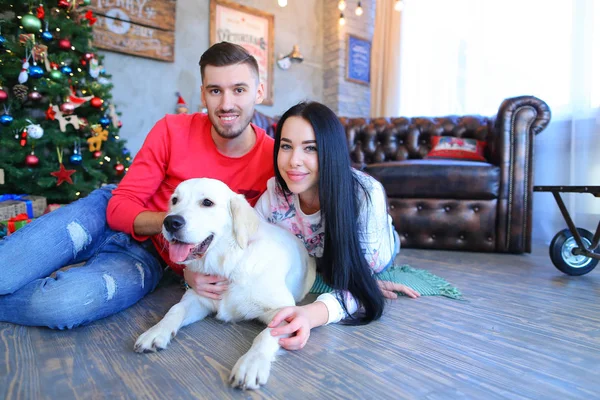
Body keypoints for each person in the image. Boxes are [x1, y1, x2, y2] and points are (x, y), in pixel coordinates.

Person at [0, 42, 274, 329]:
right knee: (6, 270)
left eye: (239, 90)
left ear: (259, 92)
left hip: (152, 258)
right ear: (203, 95)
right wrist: (177, 224)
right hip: (106, 214)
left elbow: (251, 241)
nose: (227, 104)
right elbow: (119, 208)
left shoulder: (273, 160)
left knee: (62, 304)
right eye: (215, 90)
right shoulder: (172, 129)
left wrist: (186, 266)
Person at [253, 101, 420, 351]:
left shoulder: (366, 194)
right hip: (318, 257)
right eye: (286, 146)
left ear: (330, 152)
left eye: (311, 148)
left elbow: (358, 282)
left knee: (366, 272)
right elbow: (246, 246)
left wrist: (311, 314)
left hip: (381, 247)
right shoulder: (274, 195)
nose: (293, 161)